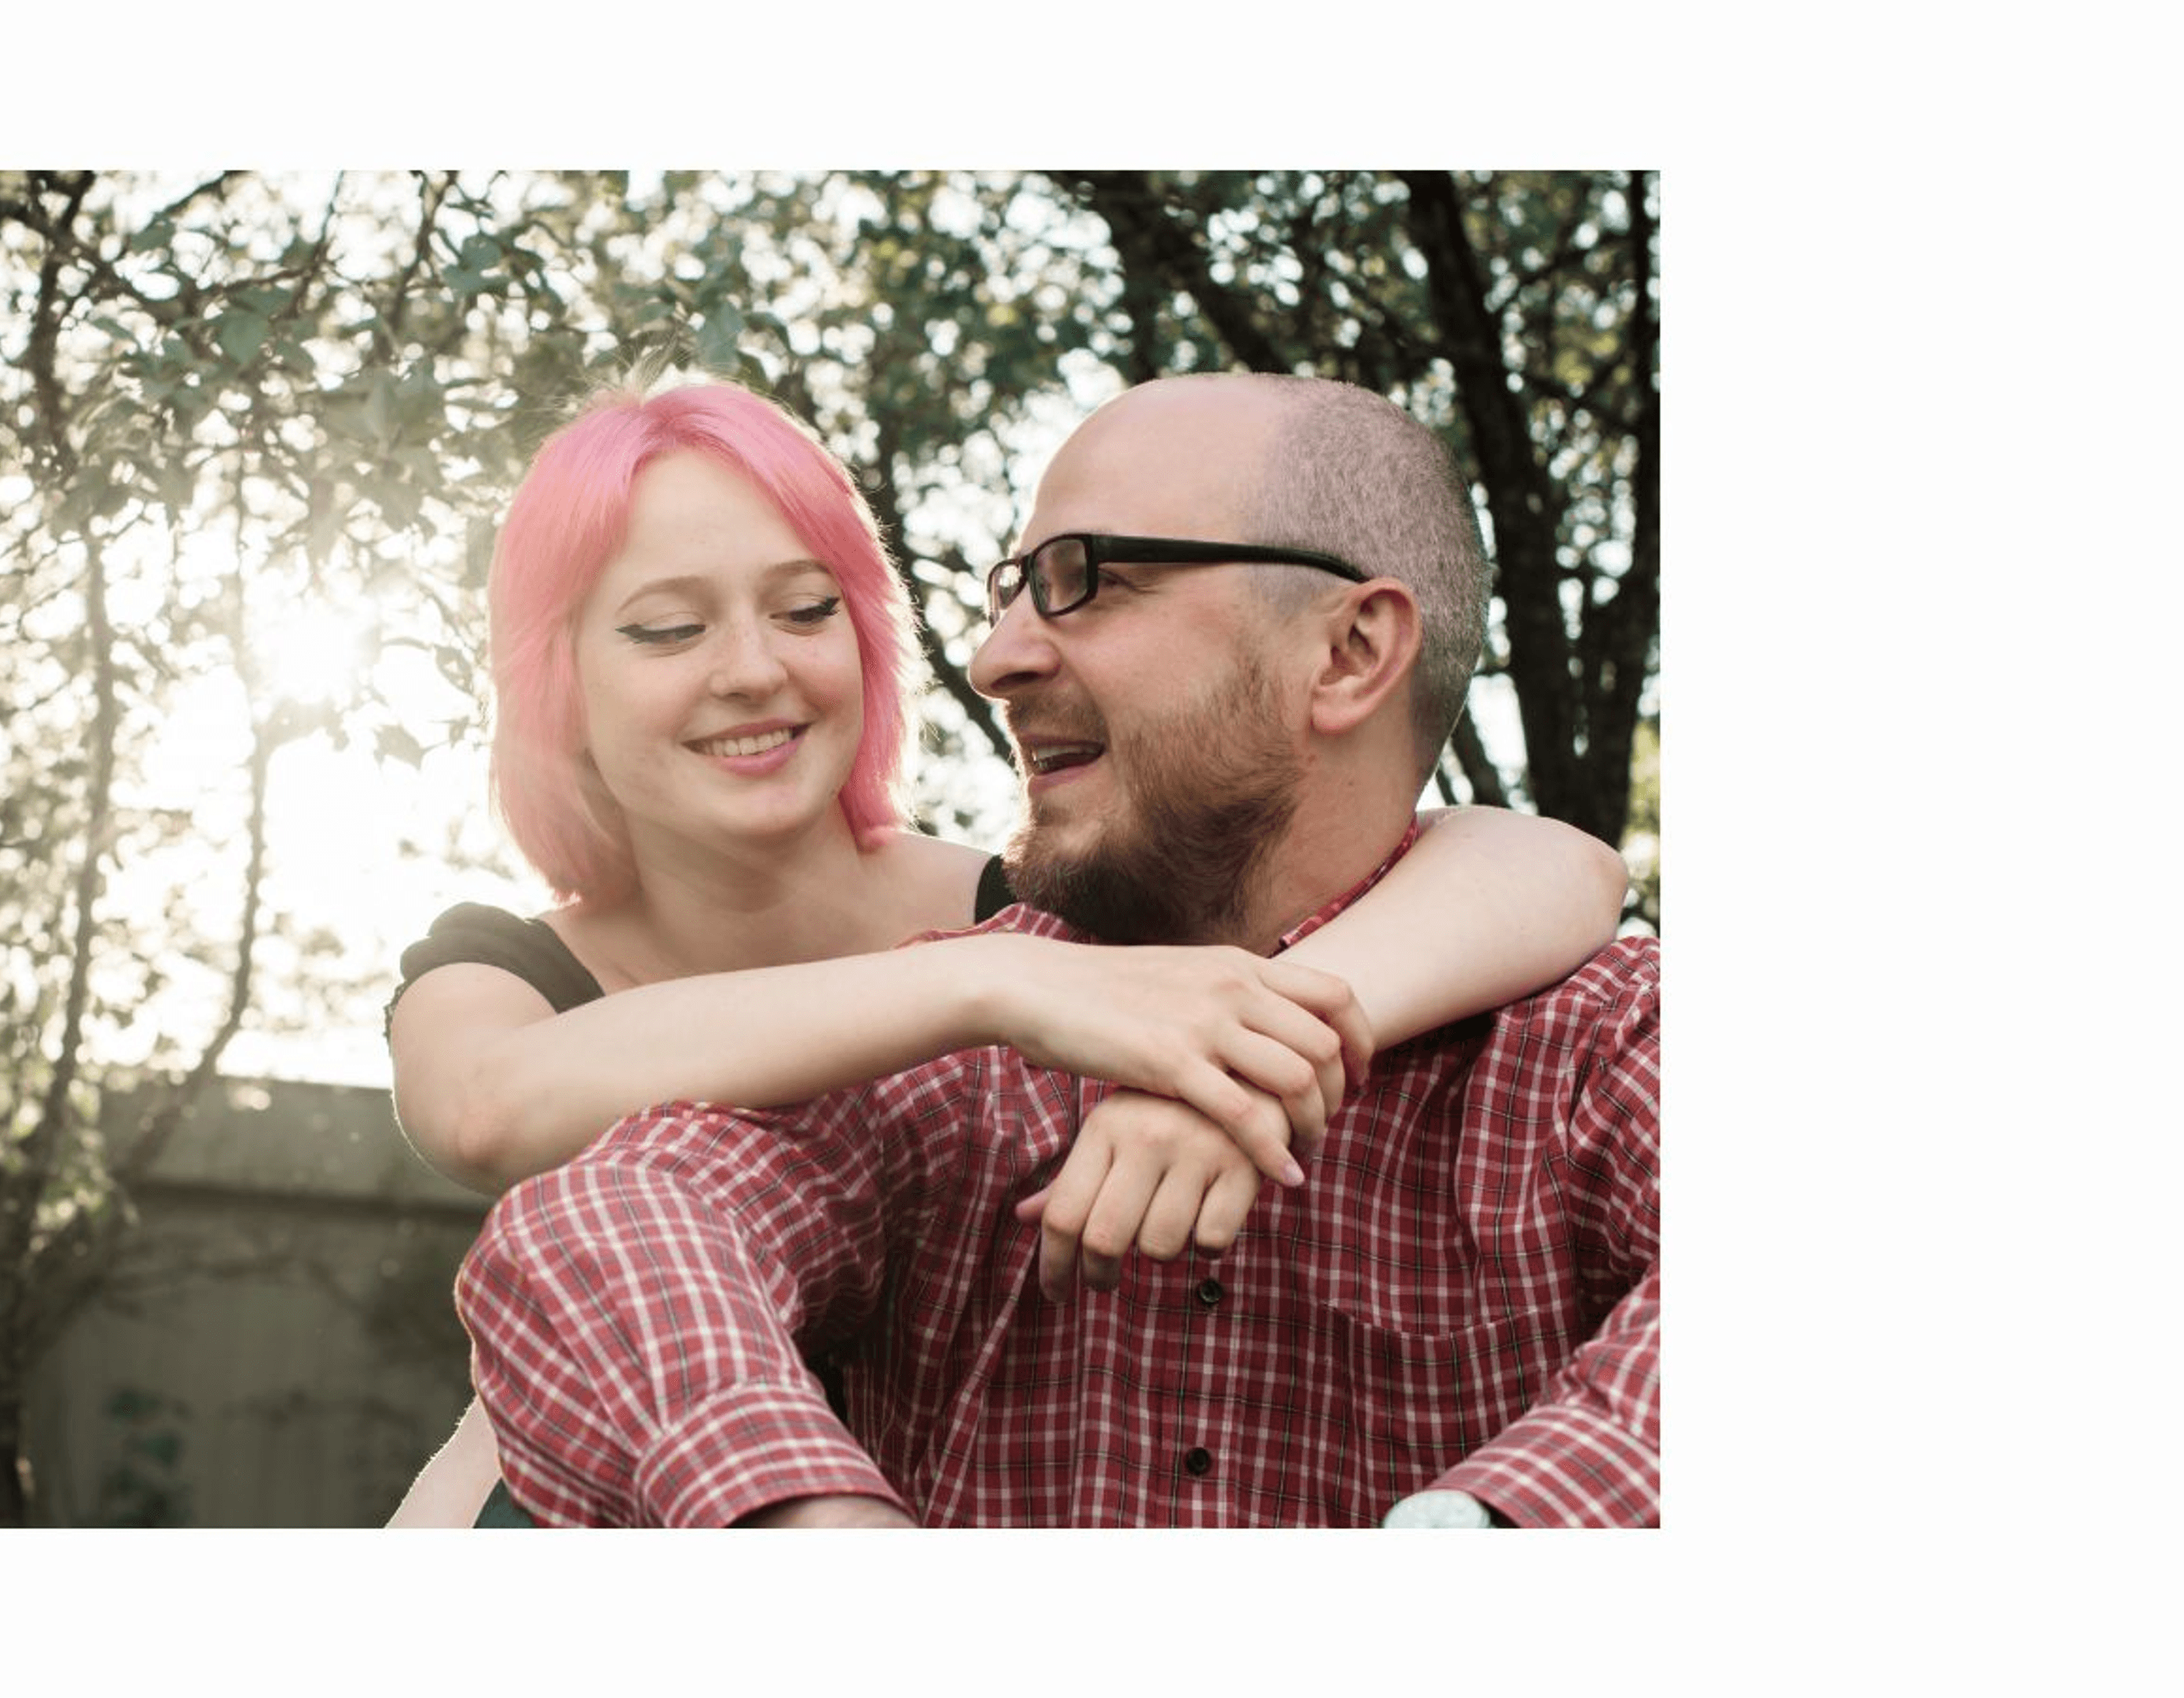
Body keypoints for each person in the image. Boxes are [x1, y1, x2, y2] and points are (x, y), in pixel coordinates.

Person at [389, 379, 1633, 1527]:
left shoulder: (1068, 919)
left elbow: (1560, 866)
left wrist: (1260, 1048)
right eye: (665, 629)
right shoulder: (1003, 980)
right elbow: (525, 1139)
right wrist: (989, 980)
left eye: (808, 609)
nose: (753, 670)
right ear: (559, 686)